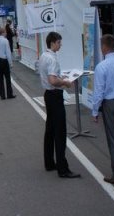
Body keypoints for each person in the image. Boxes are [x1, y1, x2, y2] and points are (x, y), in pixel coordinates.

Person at [39, 32, 80, 179]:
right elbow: (52, 80)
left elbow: (50, 77)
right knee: (60, 133)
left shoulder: (44, 55)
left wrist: (60, 78)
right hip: (55, 95)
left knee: (50, 130)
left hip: (48, 94)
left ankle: (49, 162)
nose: (60, 45)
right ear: (53, 43)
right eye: (59, 42)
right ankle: (63, 169)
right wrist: (65, 82)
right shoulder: (52, 59)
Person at [92, 34, 114, 185]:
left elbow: (99, 92)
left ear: (104, 47)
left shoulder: (101, 66)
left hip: (109, 103)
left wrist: (95, 111)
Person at [0, 28, 15, 99]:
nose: (6, 33)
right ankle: (9, 94)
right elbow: (8, 53)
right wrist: (10, 63)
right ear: (3, 33)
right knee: (7, 78)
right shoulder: (5, 41)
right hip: (4, 60)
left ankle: (2, 95)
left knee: (0, 78)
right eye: (5, 32)